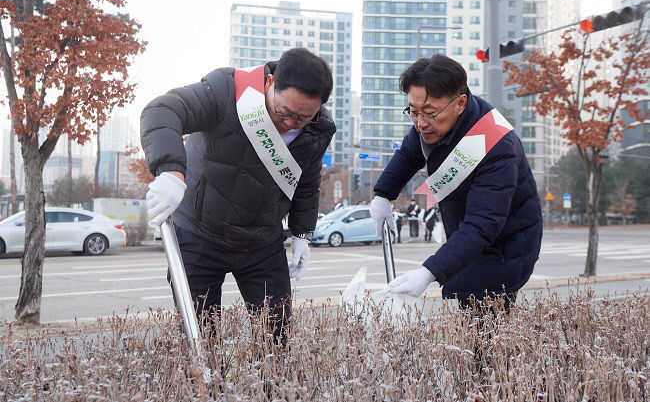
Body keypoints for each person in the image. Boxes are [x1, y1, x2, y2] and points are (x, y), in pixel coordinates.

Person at [141, 48, 335, 343]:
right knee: (200, 338)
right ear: (269, 83)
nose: (289, 123)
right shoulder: (226, 91)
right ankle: (207, 391)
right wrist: (170, 170)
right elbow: (162, 110)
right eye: (284, 112)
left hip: (262, 241)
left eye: (302, 118)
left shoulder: (319, 129)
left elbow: (306, 181)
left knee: (276, 337)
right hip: (199, 233)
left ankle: (271, 391)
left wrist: (301, 233)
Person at [369, 55, 542, 312]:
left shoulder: (496, 146)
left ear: (460, 103)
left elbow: (483, 224)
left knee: (483, 327)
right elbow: (408, 153)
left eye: (428, 113)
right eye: (413, 112)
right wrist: (383, 194)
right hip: (467, 236)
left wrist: (429, 272)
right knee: (467, 318)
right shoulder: (431, 124)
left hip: (504, 246)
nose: (420, 123)